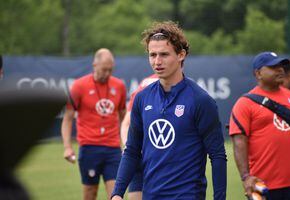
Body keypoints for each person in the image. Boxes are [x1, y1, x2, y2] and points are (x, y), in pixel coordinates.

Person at [112, 21, 227, 200]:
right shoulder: (142, 98)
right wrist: (117, 193)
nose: (157, 61)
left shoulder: (201, 100)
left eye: (164, 55)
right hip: (150, 195)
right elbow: (132, 150)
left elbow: (217, 155)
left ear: (181, 55)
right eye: (153, 55)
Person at [229, 52, 290, 200]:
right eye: (274, 67)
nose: (280, 70)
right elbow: (239, 142)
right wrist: (246, 177)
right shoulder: (245, 103)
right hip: (263, 185)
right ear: (258, 73)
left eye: (281, 66)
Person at [61, 48, 127, 200]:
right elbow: (68, 118)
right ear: (94, 65)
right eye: (104, 70)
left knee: (116, 195)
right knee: (90, 194)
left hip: (113, 148)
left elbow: (123, 116)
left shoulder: (119, 86)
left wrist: (127, 142)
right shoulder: (79, 86)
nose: (107, 74)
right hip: (89, 147)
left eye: (110, 70)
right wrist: (67, 147)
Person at [120, 74, 158, 200]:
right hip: (150, 157)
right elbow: (126, 124)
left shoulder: (144, 83)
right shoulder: (150, 84)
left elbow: (125, 124)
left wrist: (129, 147)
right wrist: (131, 148)